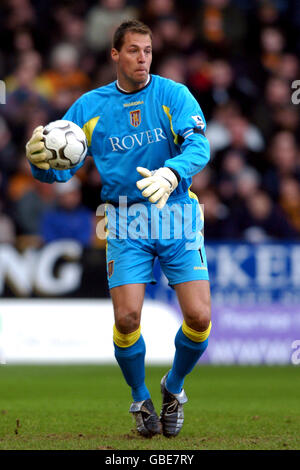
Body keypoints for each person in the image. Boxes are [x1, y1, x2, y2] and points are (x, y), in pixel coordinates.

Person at [25, 20, 212, 438]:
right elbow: (61, 172)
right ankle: (140, 396)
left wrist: (172, 172)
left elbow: (200, 145)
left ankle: (173, 387)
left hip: (177, 211)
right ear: (115, 54)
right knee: (127, 318)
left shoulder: (173, 95)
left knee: (199, 317)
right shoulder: (89, 108)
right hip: (125, 219)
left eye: (147, 50)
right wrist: (39, 165)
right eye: (133, 50)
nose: (143, 58)